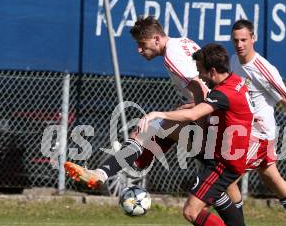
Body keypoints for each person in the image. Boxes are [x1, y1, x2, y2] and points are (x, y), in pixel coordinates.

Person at [138, 43, 261, 226]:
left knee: (191, 211)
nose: (200, 77)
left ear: (213, 71)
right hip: (227, 156)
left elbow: (195, 113)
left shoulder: (223, 93)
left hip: (224, 163)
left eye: (201, 71)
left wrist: (157, 114)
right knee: (219, 198)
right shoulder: (235, 82)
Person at [65, 16, 209, 188]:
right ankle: (114, 169)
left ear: (156, 39)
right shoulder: (183, 42)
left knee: (147, 129)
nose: (139, 50)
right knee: (151, 131)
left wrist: (200, 124)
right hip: (206, 112)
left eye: (142, 44)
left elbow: (201, 89)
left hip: (208, 116)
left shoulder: (172, 55)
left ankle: (113, 169)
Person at [217, 19, 286, 226]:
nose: (240, 44)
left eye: (244, 40)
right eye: (235, 40)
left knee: (227, 178)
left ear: (253, 38)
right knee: (270, 176)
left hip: (260, 134)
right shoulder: (233, 61)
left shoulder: (264, 68)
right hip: (246, 132)